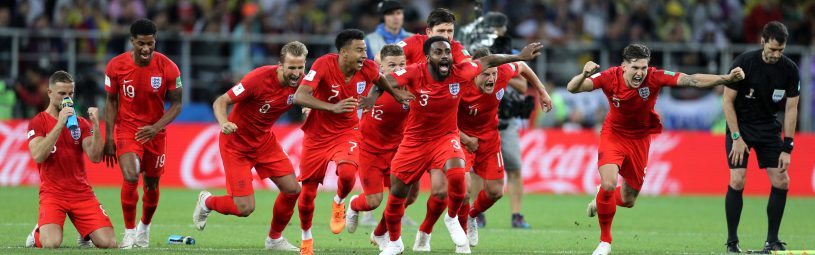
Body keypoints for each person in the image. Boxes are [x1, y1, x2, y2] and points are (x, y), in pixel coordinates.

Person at [567, 43, 745, 255]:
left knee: (627, 200)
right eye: (635, 68)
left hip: (640, 140)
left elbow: (691, 79)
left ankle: (602, 198)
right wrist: (583, 74)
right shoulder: (609, 77)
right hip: (613, 135)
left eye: (644, 67)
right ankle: (605, 241)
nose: (640, 73)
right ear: (624, 66)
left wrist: (725, 79)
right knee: (608, 182)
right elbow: (573, 88)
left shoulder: (654, 77)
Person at [377, 36, 544, 255]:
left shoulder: (464, 72)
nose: (445, 56)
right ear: (428, 57)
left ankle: (457, 221)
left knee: (475, 187)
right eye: (439, 52)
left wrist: (536, 82)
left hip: (453, 138)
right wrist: (391, 94)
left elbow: (502, 63)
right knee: (402, 193)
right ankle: (398, 240)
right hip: (423, 140)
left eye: (447, 51)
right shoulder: (420, 73)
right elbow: (382, 78)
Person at [293, 29, 411, 255]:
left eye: (365, 50)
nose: (364, 55)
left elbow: (381, 80)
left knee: (347, 174)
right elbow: (300, 96)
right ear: (343, 53)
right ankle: (306, 237)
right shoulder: (324, 64)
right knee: (307, 193)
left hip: (347, 131)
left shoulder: (367, 68)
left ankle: (339, 201)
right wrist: (332, 107)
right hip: (317, 135)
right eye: (359, 50)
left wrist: (390, 97)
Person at [190, 41, 309, 251]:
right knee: (244, 208)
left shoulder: (302, 82)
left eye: (300, 67)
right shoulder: (258, 78)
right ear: (280, 65)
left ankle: (274, 240)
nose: (297, 72)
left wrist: (309, 108)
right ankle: (207, 201)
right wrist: (224, 122)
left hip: (265, 142)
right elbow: (220, 101)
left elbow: (313, 95)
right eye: (292, 67)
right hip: (236, 144)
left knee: (292, 190)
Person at [457, 47, 551, 252]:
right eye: (486, 74)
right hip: (461, 138)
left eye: (494, 73)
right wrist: (465, 138)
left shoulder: (504, 71)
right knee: (463, 192)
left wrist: (542, 91)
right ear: (474, 72)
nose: (491, 79)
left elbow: (523, 67)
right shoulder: (461, 84)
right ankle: (462, 236)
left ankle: (472, 216)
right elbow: (443, 117)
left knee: (496, 191)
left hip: (490, 137)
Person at [103, 18, 183, 248]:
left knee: (151, 185)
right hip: (127, 129)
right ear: (132, 41)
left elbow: (177, 104)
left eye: (150, 43)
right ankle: (128, 233)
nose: (146, 48)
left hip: (155, 134)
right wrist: (109, 136)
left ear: (155, 41)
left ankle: (144, 228)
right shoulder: (115, 66)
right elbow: (110, 100)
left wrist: (156, 127)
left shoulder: (169, 67)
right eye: (141, 43)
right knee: (130, 176)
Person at [723, 21, 799, 254]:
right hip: (741, 127)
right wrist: (736, 136)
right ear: (763, 42)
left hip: (768, 129)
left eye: (781, 50)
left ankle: (772, 241)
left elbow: (791, 109)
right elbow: (727, 101)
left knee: (782, 181)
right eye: (773, 49)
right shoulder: (743, 63)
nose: (776, 54)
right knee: (737, 180)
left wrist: (787, 147)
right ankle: (732, 241)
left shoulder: (789, 69)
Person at [24, 71, 117, 249]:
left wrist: (96, 126)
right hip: (52, 193)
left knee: (109, 243)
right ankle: (38, 232)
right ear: (50, 93)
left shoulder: (81, 123)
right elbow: (38, 155)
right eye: (62, 94)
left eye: (70, 94)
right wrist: (60, 124)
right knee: (51, 244)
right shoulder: (38, 122)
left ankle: (85, 234)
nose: (67, 98)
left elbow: (96, 157)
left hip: (82, 193)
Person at [345, 44, 420, 251]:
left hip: (399, 151)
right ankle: (353, 205)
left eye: (402, 64)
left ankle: (380, 233)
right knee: (373, 201)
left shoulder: (412, 84)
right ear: (382, 67)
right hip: (371, 150)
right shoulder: (371, 83)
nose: (398, 69)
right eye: (392, 65)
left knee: (409, 197)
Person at [399, 8, 472, 65]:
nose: (446, 36)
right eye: (441, 31)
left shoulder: (456, 47)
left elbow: (470, 67)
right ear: (429, 32)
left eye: (450, 31)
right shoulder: (414, 42)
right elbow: (389, 54)